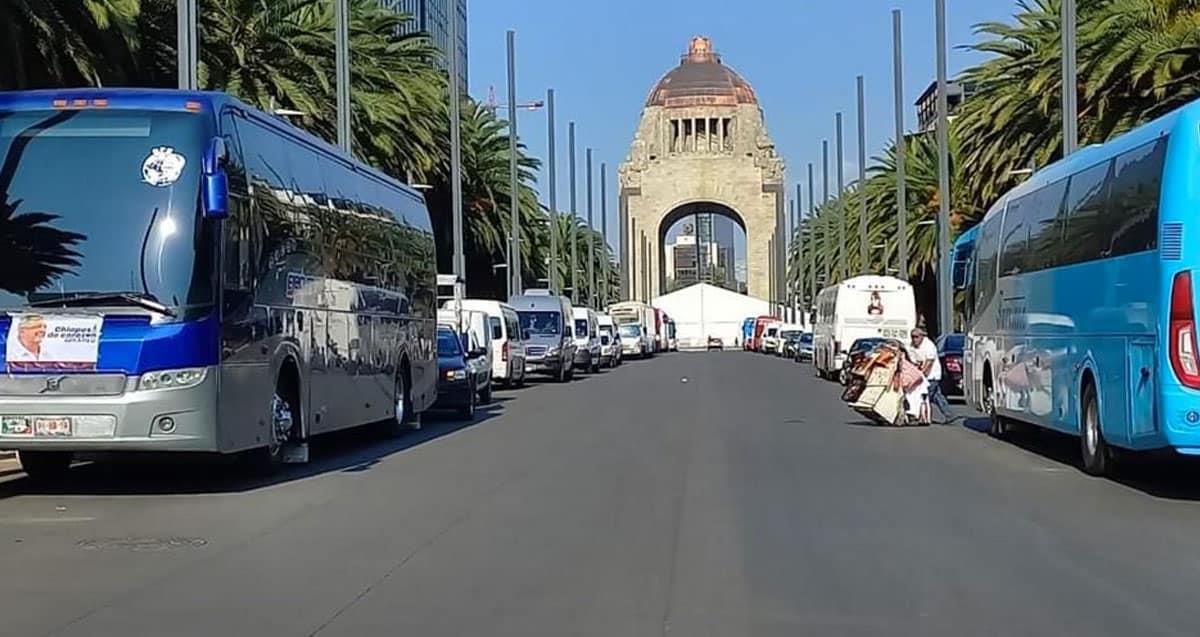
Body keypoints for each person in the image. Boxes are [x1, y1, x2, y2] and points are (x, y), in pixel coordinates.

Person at [908, 327, 951, 424]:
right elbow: (912, 360)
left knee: (924, 396)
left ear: (922, 337)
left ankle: (920, 415)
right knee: (937, 396)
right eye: (912, 337)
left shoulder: (929, 345)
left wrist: (921, 374)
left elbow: (929, 363)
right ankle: (949, 414)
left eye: (916, 337)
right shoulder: (912, 346)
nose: (914, 339)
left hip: (932, 375)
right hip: (921, 375)